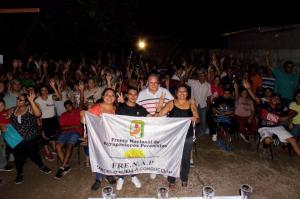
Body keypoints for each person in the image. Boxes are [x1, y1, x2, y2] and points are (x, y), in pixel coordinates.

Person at [156, 84, 199, 188]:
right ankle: (171, 179)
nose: (182, 93)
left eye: (184, 92)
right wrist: (160, 105)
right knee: (173, 157)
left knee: (185, 158)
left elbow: (198, 120)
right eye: (180, 91)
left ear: (187, 94)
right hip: (173, 137)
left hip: (187, 136)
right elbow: (159, 115)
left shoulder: (191, 104)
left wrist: (195, 119)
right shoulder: (171, 103)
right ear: (176, 93)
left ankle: (184, 177)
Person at [243, 82, 300, 158]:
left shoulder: (281, 107)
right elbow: (255, 97)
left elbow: (294, 112)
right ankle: (265, 147)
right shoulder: (264, 104)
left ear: (279, 101)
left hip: (277, 127)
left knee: (293, 140)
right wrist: (248, 88)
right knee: (268, 141)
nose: (276, 99)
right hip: (264, 127)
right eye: (274, 98)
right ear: (270, 99)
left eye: (278, 99)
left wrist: (287, 117)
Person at [6, 93, 51, 184]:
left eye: (20, 100)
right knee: (18, 158)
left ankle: (41, 166)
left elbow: (38, 114)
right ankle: (19, 174)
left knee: (34, 154)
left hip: (29, 138)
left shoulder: (30, 108)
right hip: (16, 139)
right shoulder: (13, 110)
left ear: (26, 102)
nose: (18, 100)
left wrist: (31, 101)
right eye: (17, 98)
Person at [137, 73, 174, 179]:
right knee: (151, 147)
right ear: (147, 82)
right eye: (150, 82)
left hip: (163, 124)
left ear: (159, 83)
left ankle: (163, 168)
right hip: (148, 125)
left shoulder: (165, 92)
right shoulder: (142, 93)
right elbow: (137, 108)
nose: (153, 85)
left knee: (163, 146)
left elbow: (172, 105)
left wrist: (162, 109)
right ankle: (154, 168)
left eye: (155, 82)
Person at [115, 86, 149, 190]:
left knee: (134, 157)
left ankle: (133, 176)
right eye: (131, 94)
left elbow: (151, 118)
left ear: (137, 96)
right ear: (126, 95)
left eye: (135, 94)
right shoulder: (120, 108)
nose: (133, 96)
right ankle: (121, 177)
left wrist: (158, 111)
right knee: (122, 158)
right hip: (122, 138)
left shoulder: (140, 109)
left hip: (135, 140)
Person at [85, 88, 118, 191]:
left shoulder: (115, 108)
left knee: (109, 157)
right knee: (99, 158)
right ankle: (98, 179)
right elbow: (85, 119)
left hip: (110, 138)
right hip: (99, 139)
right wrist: (83, 113)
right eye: (107, 95)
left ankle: (108, 175)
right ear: (102, 96)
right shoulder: (97, 107)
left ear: (115, 98)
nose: (109, 97)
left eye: (112, 95)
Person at [54, 82, 84, 179]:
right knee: (58, 146)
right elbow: (62, 128)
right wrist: (74, 126)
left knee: (69, 146)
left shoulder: (77, 111)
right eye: (66, 107)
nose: (68, 108)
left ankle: (62, 167)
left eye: (69, 106)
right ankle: (66, 166)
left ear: (72, 106)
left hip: (76, 133)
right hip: (66, 133)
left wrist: (81, 91)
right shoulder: (63, 115)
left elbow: (82, 102)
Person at [35, 79, 62, 161]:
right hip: (44, 120)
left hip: (52, 119)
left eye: (45, 90)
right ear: (40, 91)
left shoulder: (51, 96)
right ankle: (47, 153)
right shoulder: (37, 100)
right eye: (42, 90)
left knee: (53, 136)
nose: (44, 91)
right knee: (45, 138)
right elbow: (37, 114)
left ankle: (54, 149)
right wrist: (39, 124)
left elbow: (59, 98)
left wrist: (54, 87)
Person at [187, 70, 211, 136]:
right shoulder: (193, 82)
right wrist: (189, 70)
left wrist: (208, 105)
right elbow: (186, 79)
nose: (202, 77)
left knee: (203, 120)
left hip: (203, 105)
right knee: (193, 120)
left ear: (205, 77)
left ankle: (202, 133)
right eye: (200, 76)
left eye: (203, 76)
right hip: (193, 105)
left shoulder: (208, 85)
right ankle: (191, 133)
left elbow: (209, 96)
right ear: (198, 76)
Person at [0, 99, 14, 172]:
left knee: (6, 148)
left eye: (2, 105)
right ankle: (2, 165)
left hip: (7, 132)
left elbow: (11, 112)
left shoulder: (5, 112)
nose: (0, 107)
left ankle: (3, 164)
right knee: (2, 149)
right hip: (2, 133)